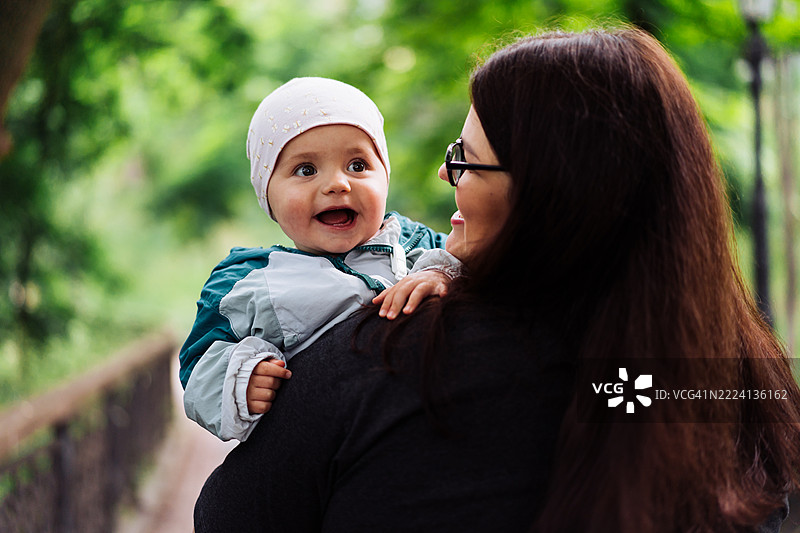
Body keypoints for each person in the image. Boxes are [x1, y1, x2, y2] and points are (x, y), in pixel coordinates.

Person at [193, 27, 800, 533]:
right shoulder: (738, 389)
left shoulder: (397, 357)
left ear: (553, 190)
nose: (443, 172)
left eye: (464, 158)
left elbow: (228, 518)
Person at [179, 77, 461, 442]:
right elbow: (198, 363)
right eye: (306, 170)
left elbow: (479, 271)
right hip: (329, 446)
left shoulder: (413, 244)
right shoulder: (250, 282)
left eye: (358, 165)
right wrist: (242, 378)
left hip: (425, 426)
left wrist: (444, 274)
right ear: (269, 195)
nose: (337, 184)